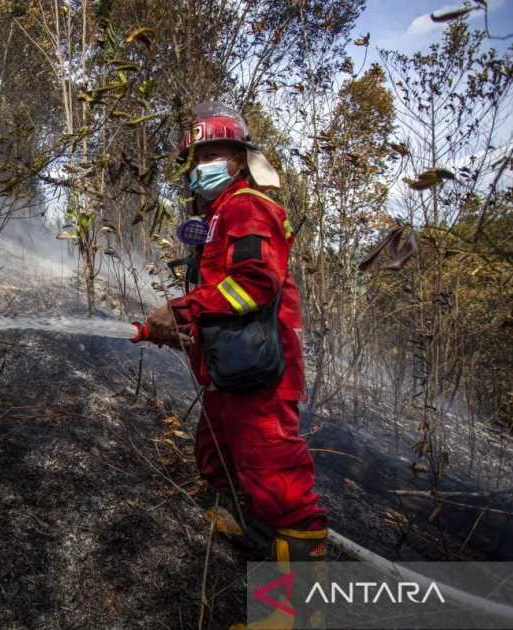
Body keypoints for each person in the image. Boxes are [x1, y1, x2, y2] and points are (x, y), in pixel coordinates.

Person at [145, 102, 327, 630]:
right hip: (232, 371)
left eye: (214, 152)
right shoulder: (215, 217)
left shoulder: (248, 207)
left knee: (281, 487)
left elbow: (254, 284)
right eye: (196, 154)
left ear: (241, 159)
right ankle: (249, 532)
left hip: (262, 376)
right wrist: (184, 332)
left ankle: (293, 615)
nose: (203, 162)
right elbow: (219, 296)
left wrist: (180, 311)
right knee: (217, 453)